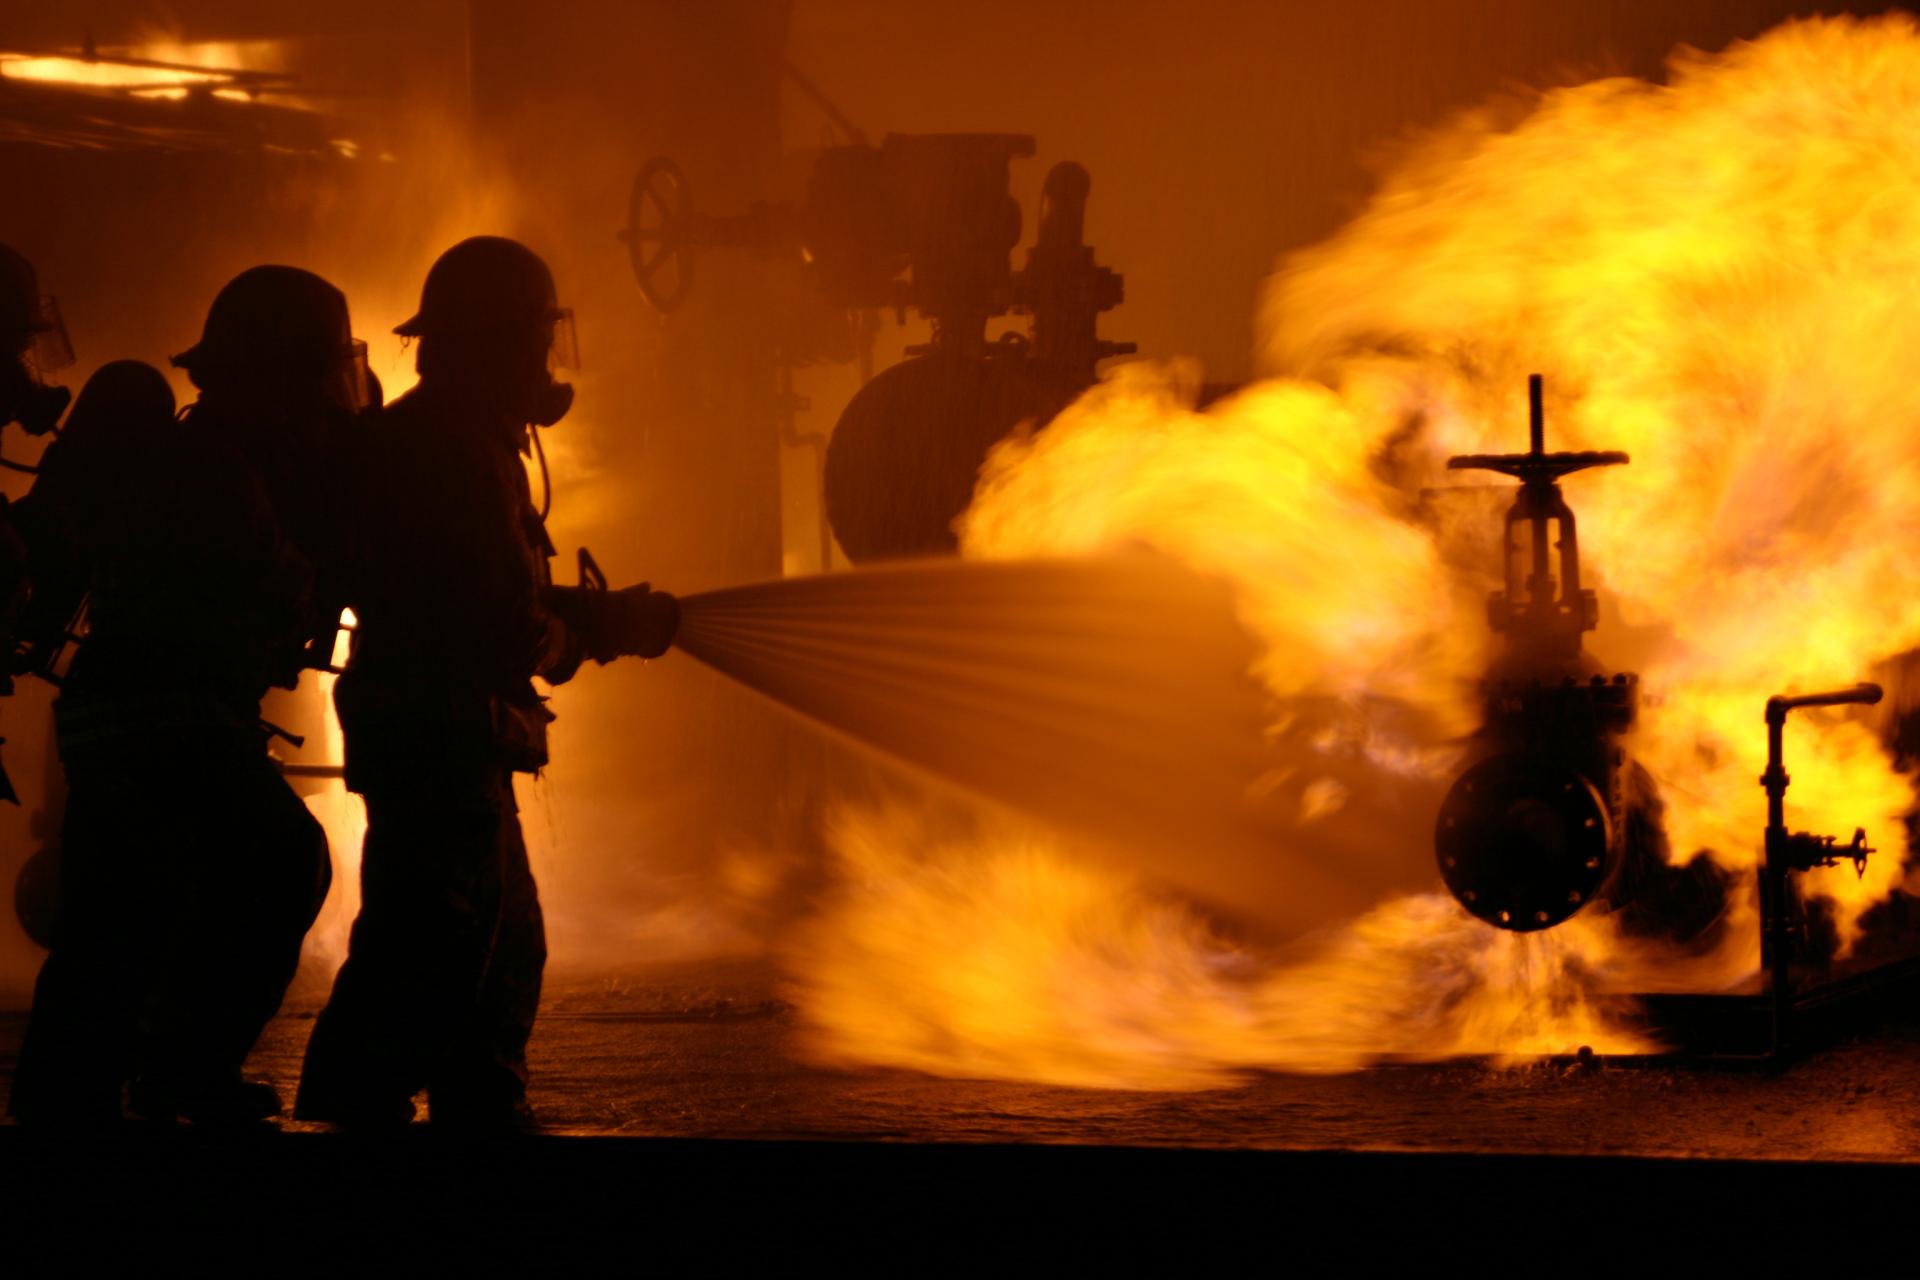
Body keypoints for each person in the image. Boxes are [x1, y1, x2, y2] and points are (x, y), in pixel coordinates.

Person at [296, 236, 677, 1131]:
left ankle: (477, 1105)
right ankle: (361, 1113)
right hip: (440, 731)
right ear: (498, 347)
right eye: (535, 344)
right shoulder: (456, 457)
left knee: (496, 945)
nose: (544, 366)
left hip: (437, 729)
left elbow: (487, 589)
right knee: (432, 938)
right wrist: (597, 632)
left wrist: (588, 612)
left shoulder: (449, 444)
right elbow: (496, 619)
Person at [8, 266, 371, 1127]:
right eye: (324, 375)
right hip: (165, 717)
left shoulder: (206, 455)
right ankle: (175, 1074)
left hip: (132, 718)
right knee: (278, 860)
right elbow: (283, 590)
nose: (334, 399)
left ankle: (71, 1096)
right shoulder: (217, 472)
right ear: (286, 373)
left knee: (123, 913)